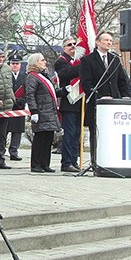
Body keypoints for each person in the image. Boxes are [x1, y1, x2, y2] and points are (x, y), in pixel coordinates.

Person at [79, 31, 131, 171]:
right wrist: (98, 97)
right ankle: (96, 163)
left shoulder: (115, 59)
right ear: (97, 42)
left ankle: (112, 162)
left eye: (110, 40)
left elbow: (122, 80)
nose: (109, 42)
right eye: (106, 40)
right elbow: (86, 83)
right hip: (97, 103)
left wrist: (126, 96)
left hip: (114, 105)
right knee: (96, 135)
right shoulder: (88, 60)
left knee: (112, 134)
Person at [25, 53, 61, 173]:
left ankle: (45, 164)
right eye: (42, 60)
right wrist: (34, 111)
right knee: (40, 139)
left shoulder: (44, 76)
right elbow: (30, 95)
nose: (45, 62)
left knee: (48, 139)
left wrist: (63, 91)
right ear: (35, 62)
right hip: (40, 111)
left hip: (49, 112)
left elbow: (51, 93)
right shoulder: (32, 77)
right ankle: (36, 164)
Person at [54, 37, 81, 173]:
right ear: (64, 48)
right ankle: (66, 162)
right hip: (68, 101)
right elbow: (67, 74)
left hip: (80, 100)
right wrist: (83, 64)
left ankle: (74, 160)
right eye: (69, 45)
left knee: (77, 134)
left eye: (75, 44)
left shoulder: (78, 60)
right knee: (69, 134)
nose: (73, 46)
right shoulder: (61, 61)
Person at [6, 53, 27, 161]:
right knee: (4, 130)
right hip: (7, 107)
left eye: (17, 63)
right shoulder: (6, 75)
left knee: (17, 131)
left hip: (19, 107)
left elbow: (28, 92)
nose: (15, 65)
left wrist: (22, 101)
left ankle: (14, 152)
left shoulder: (25, 77)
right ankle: (1, 151)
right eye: (13, 63)